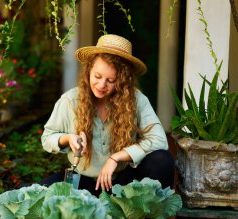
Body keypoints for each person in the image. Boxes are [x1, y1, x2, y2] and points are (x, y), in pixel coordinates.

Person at [41, 34, 174, 196]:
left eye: (111, 80)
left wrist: (116, 158)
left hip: (124, 182)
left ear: (122, 80)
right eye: (97, 76)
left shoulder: (136, 99)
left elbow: (159, 140)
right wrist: (68, 138)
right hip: (83, 182)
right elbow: (47, 138)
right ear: (89, 70)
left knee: (162, 161)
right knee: (36, 192)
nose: (102, 85)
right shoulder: (70, 100)